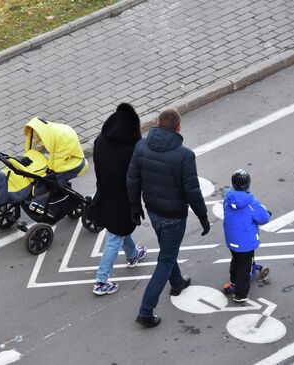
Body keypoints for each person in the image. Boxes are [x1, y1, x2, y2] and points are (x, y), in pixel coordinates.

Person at [127, 108, 210, 328]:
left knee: (166, 249)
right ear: (179, 128)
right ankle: (146, 311)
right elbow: (192, 190)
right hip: (174, 215)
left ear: (157, 122)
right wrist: (203, 216)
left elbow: (132, 179)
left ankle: (177, 282)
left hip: (153, 209)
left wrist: (135, 207)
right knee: (165, 259)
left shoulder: (141, 146)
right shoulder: (184, 155)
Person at [92, 103, 147, 296]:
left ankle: (132, 255)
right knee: (115, 235)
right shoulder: (130, 148)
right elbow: (135, 178)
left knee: (119, 228)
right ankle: (101, 280)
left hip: (104, 194)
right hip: (122, 198)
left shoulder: (100, 140)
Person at [223, 169, 271, 302]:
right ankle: (241, 294)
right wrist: (267, 213)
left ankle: (233, 282)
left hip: (231, 239)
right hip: (245, 242)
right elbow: (263, 218)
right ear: (247, 184)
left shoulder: (227, 200)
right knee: (245, 265)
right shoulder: (251, 203)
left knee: (236, 260)